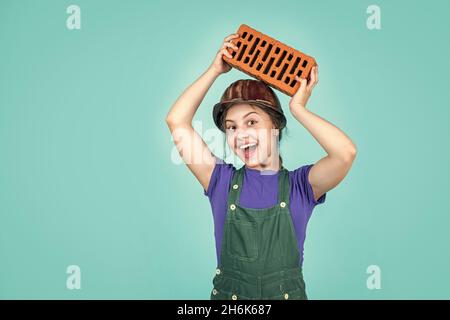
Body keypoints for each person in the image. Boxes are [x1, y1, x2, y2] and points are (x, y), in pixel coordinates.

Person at [166, 33, 357, 300]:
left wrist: (298, 108)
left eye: (252, 122)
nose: (240, 134)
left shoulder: (302, 186)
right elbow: (177, 120)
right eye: (231, 127)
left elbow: (345, 153)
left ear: (275, 126)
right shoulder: (218, 180)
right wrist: (214, 70)